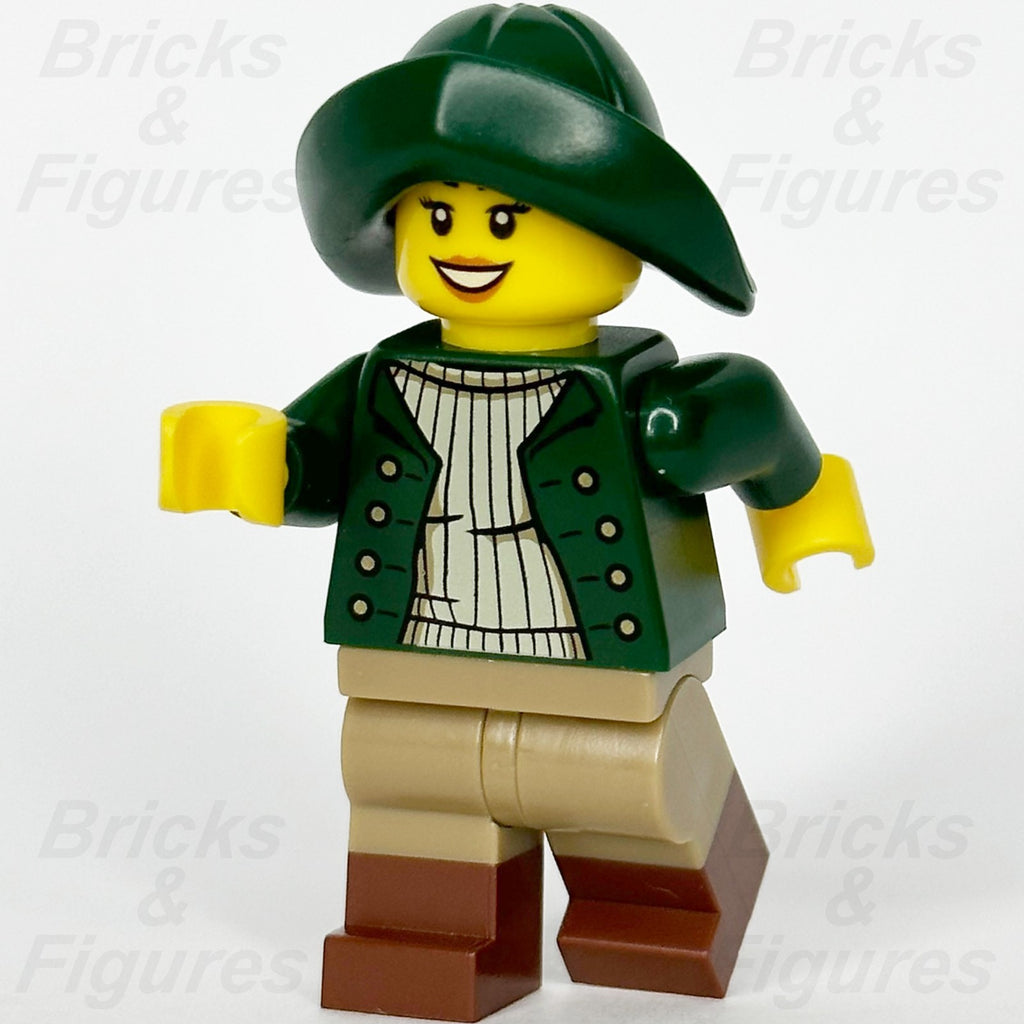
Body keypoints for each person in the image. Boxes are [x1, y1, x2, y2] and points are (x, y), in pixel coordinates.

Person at [160, 5, 873, 1020]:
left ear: (621, 235)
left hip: (599, 656)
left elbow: (749, 409)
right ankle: (425, 932)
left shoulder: (640, 392)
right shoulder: (383, 379)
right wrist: (257, 457)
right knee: (413, 786)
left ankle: (655, 916)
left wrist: (797, 498)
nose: (467, 246)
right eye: (438, 213)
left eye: (507, 219)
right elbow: (316, 465)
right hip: (413, 651)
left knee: (629, 783)